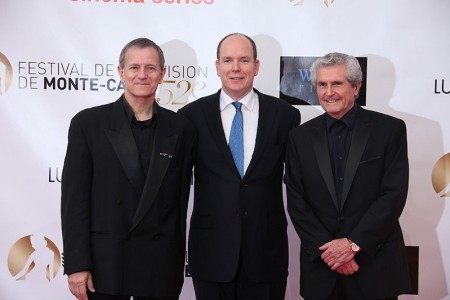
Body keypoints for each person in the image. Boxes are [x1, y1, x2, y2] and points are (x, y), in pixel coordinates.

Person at [61, 38, 195, 300]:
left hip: (160, 267)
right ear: (121, 72)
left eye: (150, 68)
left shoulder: (181, 129)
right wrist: (77, 265)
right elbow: (74, 202)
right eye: (134, 67)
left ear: (162, 74)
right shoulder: (88, 124)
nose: (142, 75)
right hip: (105, 268)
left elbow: (179, 204)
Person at [178, 33, 300, 300]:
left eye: (244, 60)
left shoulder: (285, 115)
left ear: (256, 66)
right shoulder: (190, 117)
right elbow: (177, 188)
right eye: (228, 60)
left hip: (266, 254)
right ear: (217, 66)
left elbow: (299, 184)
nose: (236, 68)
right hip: (210, 254)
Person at [285, 52, 411, 300]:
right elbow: (297, 202)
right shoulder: (299, 138)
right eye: (322, 84)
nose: (328, 92)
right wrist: (332, 254)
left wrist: (352, 245)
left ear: (356, 87)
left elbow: (393, 195)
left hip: (374, 266)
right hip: (322, 269)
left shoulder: (390, 130)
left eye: (337, 83)